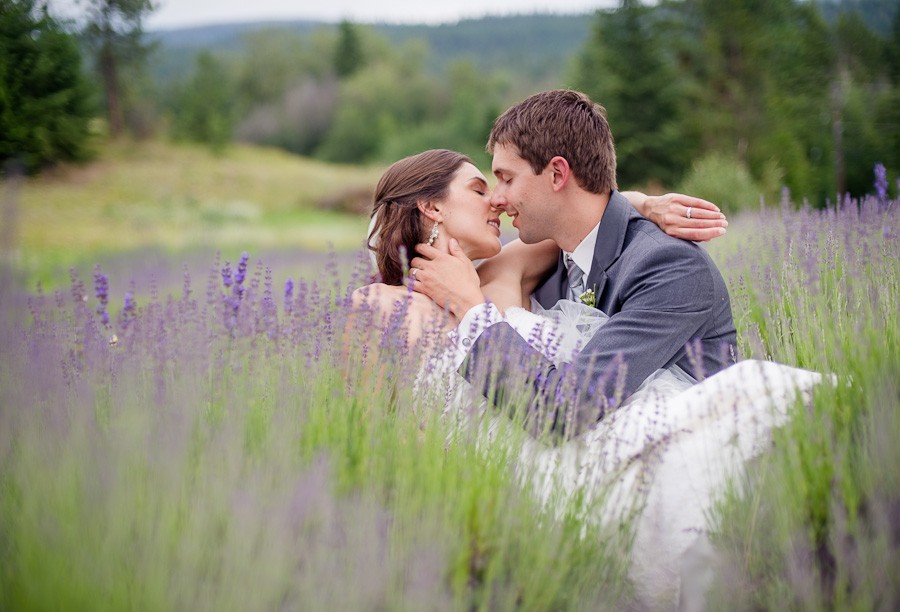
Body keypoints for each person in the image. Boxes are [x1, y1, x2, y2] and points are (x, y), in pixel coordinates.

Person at [353, 144, 825, 608]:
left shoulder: (505, 271)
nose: (497, 199)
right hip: (511, 484)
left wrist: (645, 204)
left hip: (587, 437)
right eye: (479, 189)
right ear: (432, 205)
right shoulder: (379, 308)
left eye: (499, 183)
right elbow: (380, 439)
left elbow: (582, 217)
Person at [409, 90, 737, 437]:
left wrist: (472, 310)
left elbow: (563, 412)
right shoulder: (550, 259)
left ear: (556, 174)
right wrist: (641, 202)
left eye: (507, 179)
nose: (498, 199)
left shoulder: (671, 267)